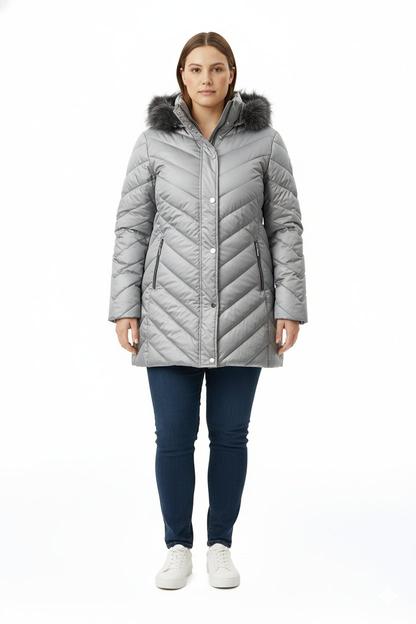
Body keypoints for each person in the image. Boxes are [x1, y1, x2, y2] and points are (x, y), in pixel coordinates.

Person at [108, 31, 308, 590]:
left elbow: (285, 227)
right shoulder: (153, 143)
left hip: (245, 308)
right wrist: (125, 305)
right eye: (195, 69)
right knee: (172, 437)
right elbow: (131, 227)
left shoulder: (266, 141)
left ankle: (220, 544)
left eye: (216, 68)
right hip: (167, 309)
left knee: (230, 435)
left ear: (231, 74)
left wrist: (289, 306)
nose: (206, 79)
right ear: (182, 75)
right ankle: (177, 546)